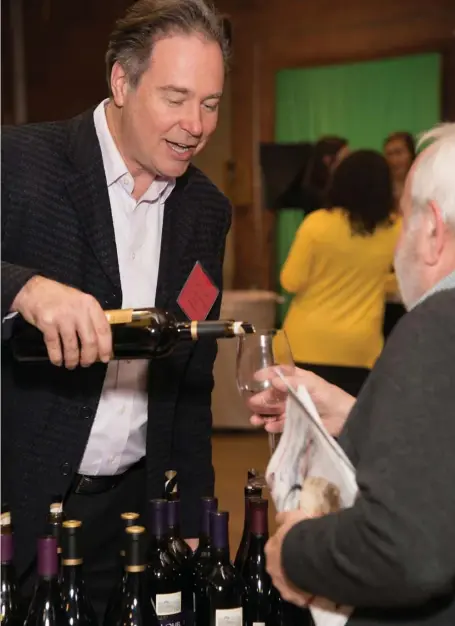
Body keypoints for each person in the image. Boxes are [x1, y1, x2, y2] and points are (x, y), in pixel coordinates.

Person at [1, 0, 230, 620]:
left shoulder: (207, 211)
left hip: (130, 518)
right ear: (122, 82)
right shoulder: (19, 163)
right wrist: (20, 287)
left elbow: (191, 378)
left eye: (210, 103)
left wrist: (187, 518)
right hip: (15, 509)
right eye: (176, 98)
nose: (195, 125)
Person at [250, 123, 455, 625]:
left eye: (405, 221)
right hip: (361, 346)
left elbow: (407, 549)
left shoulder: (433, 328)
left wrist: (293, 552)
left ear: (432, 228)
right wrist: (355, 413)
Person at [280, 150, 401, 396]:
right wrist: (376, 281)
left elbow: (291, 281)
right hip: (360, 348)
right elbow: (401, 283)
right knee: (350, 429)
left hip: (305, 343)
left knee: (300, 430)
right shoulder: (396, 229)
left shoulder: (317, 223)